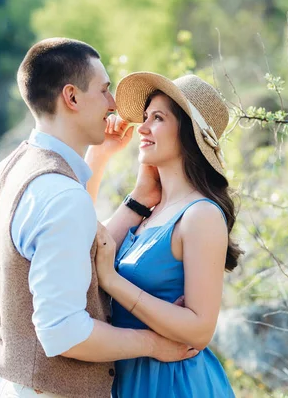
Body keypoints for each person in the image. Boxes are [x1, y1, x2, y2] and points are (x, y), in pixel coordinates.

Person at [0, 39, 198, 398]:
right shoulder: (61, 196)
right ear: (72, 97)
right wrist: (154, 344)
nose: (113, 105)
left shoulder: (12, 170)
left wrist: (101, 159)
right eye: (104, 89)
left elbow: (78, 244)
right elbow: (64, 332)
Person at [86, 72, 242, 397]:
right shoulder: (149, 210)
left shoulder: (200, 215)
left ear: (187, 134)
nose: (142, 128)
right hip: (130, 379)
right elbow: (83, 257)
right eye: (144, 118)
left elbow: (199, 330)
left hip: (174, 384)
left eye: (157, 118)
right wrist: (100, 158)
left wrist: (114, 282)